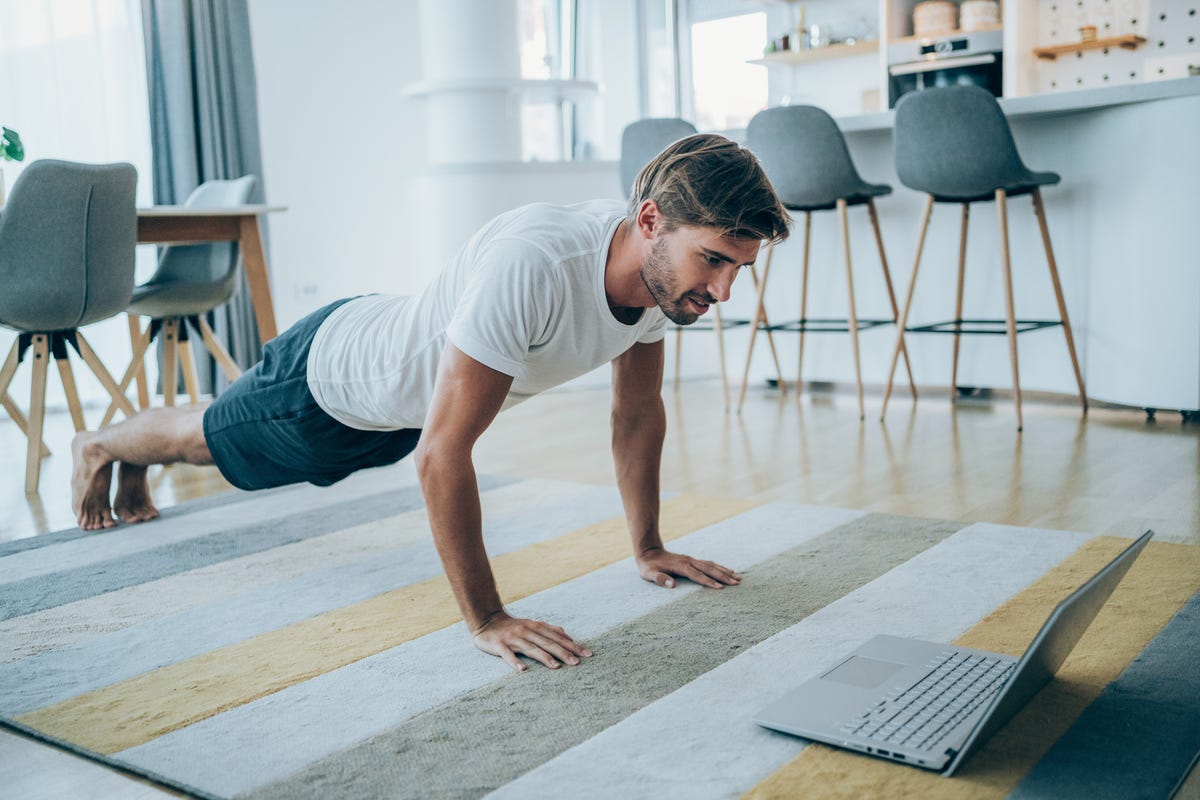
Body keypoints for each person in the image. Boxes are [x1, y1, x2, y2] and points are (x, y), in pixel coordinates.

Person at [70, 133, 792, 671]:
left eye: (740, 268)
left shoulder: (668, 282)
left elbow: (636, 413)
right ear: (650, 221)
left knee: (210, 442)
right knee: (204, 442)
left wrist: (649, 548)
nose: (724, 292)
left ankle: (131, 459)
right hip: (326, 386)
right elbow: (443, 456)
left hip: (403, 401)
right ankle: (104, 446)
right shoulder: (538, 261)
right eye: (716, 260)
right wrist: (487, 619)